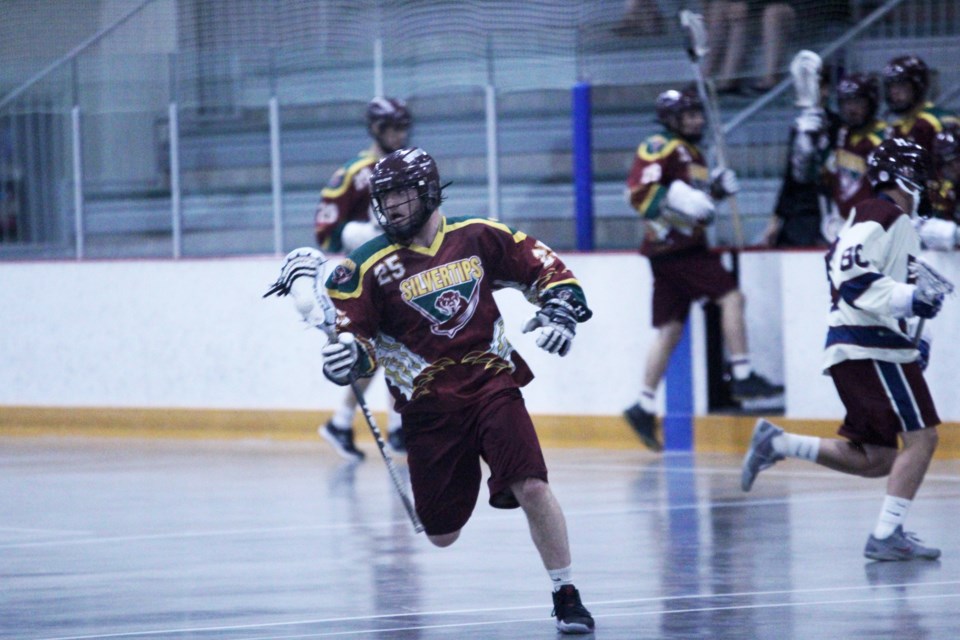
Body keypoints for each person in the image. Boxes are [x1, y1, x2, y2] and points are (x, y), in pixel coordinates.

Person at [320, 147, 595, 633]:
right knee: (443, 533)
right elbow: (355, 338)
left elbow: (547, 269)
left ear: (428, 191)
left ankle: (566, 593)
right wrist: (347, 357)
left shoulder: (479, 236)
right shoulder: (366, 266)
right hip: (429, 410)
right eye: (385, 199)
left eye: (402, 195)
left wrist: (562, 311)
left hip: (493, 385)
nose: (393, 208)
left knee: (532, 484)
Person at [742, 138, 946, 561]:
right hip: (872, 346)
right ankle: (887, 535)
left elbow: (842, 267)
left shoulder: (875, 217)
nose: (926, 185)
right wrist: (911, 301)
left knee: (877, 458)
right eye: (920, 175)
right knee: (922, 439)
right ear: (904, 176)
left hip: (862, 344)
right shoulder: (883, 214)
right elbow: (852, 276)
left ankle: (779, 444)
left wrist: (914, 332)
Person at [622, 87, 784, 452]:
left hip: (675, 250)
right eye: (689, 114)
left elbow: (697, 205)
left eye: (698, 113)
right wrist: (684, 198)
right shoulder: (659, 145)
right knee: (731, 296)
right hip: (679, 250)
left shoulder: (693, 152)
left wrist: (714, 192)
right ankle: (742, 375)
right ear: (671, 118)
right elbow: (640, 193)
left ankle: (643, 405)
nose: (696, 120)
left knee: (670, 329)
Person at [313, 97, 411, 461]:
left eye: (403, 127)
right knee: (388, 345)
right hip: (372, 274)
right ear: (376, 129)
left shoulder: (400, 165)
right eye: (392, 128)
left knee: (395, 346)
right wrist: (356, 237)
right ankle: (349, 424)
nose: (400, 134)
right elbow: (325, 229)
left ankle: (382, 428)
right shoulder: (359, 171)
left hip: (395, 267)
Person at [761, 51, 840, 247]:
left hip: (826, 212)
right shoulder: (799, 127)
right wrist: (775, 220)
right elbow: (790, 178)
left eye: (814, 83)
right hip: (798, 216)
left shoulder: (838, 125)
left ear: (826, 89)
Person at [820, 73, 887, 243]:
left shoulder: (883, 138)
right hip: (843, 226)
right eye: (846, 103)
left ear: (871, 103)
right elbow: (828, 180)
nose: (851, 109)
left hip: (874, 230)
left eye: (857, 102)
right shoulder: (842, 135)